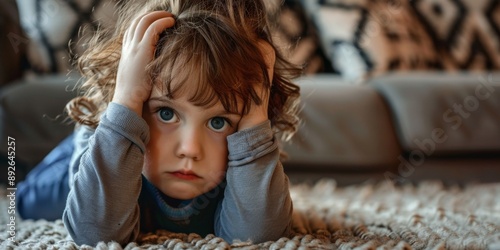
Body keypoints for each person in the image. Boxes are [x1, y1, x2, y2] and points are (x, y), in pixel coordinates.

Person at [61, 0, 302, 246]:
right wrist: (126, 99)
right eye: (166, 113)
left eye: (218, 121)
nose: (190, 149)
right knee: (25, 197)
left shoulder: (245, 162)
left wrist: (255, 116)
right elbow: (93, 237)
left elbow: (259, 238)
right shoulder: (106, 140)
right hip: (67, 167)